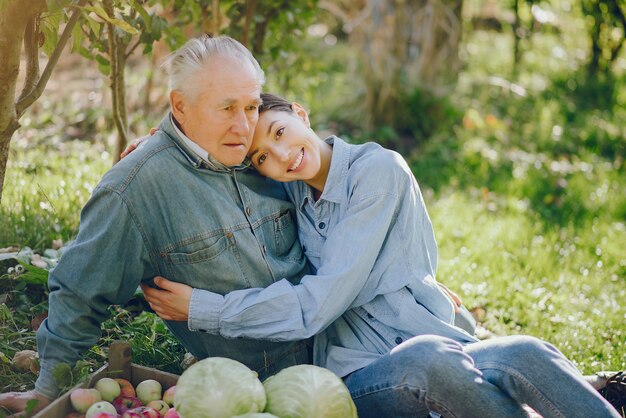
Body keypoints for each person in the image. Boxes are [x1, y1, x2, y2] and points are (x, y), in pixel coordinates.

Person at [140, 93, 623, 418]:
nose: (281, 155)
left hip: (430, 336)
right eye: (263, 156)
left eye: (280, 132)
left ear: (302, 115)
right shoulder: (292, 194)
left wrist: (205, 309)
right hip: (358, 373)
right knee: (432, 361)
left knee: (526, 351)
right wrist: (161, 152)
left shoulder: (378, 172)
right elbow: (216, 174)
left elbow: (320, 301)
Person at [0, 36, 313, 416]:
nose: (243, 125)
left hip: (348, 341)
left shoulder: (267, 151)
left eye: (250, 106)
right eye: (226, 108)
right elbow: (81, 290)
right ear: (180, 106)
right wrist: (49, 391)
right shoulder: (136, 190)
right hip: (259, 387)